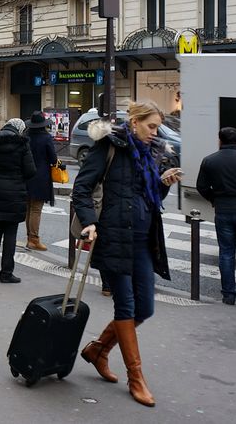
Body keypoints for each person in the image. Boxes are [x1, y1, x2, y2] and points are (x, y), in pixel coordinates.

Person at [74, 99, 179, 408]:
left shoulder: (151, 154)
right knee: (127, 306)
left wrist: (164, 183)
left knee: (145, 308)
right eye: (151, 126)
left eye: (158, 127)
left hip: (144, 240)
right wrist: (89, 223)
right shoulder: (109, 147)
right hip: (113, 237)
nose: (155, 132)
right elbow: (81, 187)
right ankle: (137, 377)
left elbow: (150, 196)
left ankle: (98, 349)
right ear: (134, 122)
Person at [196, 127, 236, 306]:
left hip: (223, 211)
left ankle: (228, 294)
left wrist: (214, 198)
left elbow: (202, 186)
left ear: (219, 141)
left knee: (226, 253)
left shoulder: (209, 161)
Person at [0, 117, 36, 284]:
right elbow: (31, 170)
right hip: (15, 192)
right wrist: (19, 179)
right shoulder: (22, 144)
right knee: (10, 233)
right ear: (20, 129)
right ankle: (6, 273)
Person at [23, 111, 58, 251]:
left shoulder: (25, 137)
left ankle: (29, 238)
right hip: (41, 177)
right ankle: (34, 240)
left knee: (29, 209)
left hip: (26, 175)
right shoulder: (46, 138)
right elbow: (53, 159)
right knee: (36, 209)